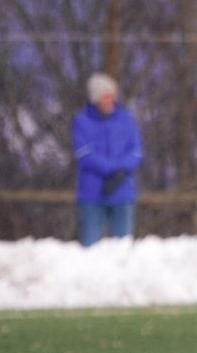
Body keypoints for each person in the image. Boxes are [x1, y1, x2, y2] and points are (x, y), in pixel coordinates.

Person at [72, 72, 142, 246]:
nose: (110, 100)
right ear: (95, 99)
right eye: (105, 97)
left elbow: (136, 151)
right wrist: (111, 170)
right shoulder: (81, 121)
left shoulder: (127, 119)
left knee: (123, 248)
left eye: (112, 96)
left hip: (122, 191)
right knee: (91, 247)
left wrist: (122, 170)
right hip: (92, 194)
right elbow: (84, 155)